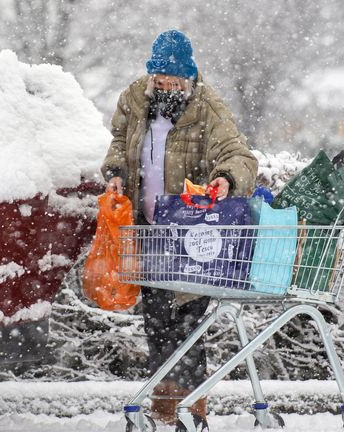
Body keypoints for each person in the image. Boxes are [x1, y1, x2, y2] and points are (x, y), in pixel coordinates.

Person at [100, 29, 258, 424]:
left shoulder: (208, 107)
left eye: (175, 82)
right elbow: (119, 139)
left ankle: (191, 406)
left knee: (186, 319)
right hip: (148, 227)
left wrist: (226, 178)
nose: (167, 88)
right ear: (152, 77)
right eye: (161, 81)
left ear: (188, 79)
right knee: (155, 318)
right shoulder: (135, 98)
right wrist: (116, 171)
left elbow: (237, 153)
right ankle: (165, 407)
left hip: (190, 230)